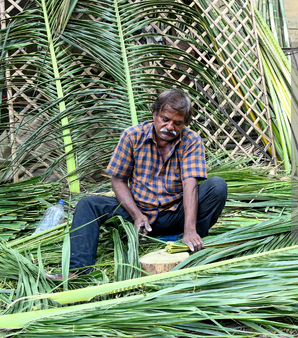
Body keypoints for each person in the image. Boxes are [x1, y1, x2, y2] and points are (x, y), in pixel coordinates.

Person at [48, 89, 227, 279]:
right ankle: (78, 271)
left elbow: (190, 184)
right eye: (165, 119)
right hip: (139, 216)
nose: (169, 126)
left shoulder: (191, 141)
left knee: (217, 186)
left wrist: (189, 229)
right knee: (88, 205)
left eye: (177, 123)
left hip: (176, 214)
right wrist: (136, 215)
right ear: (154, 114)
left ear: (185, 123)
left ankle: (190, 240)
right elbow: (118, 179)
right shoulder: (132, 136)